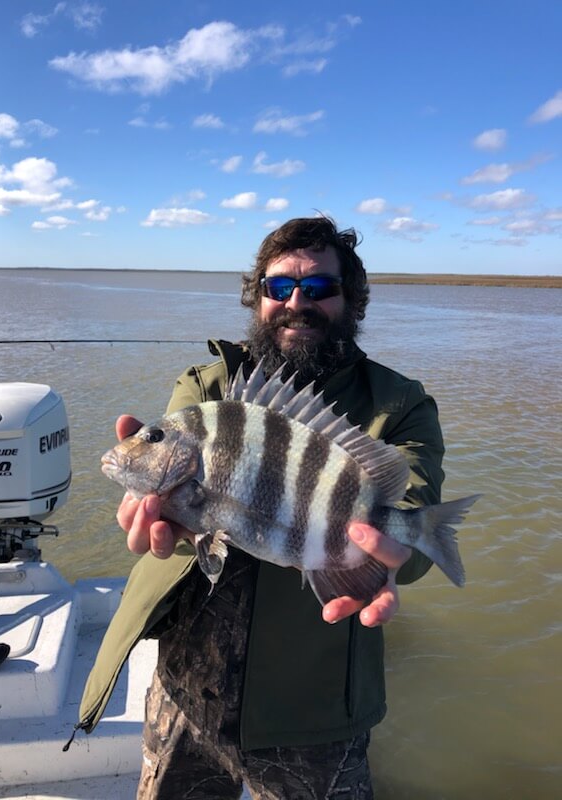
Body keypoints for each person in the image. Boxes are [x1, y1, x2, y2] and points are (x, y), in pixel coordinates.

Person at [78, 217, 445, 799]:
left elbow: (413, 511)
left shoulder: (399, 404)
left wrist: (393, 553)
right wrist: (150, 508)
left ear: (351, 300)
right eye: (279, 287)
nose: (297, 303)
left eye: (319, 288)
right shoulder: (208, 386)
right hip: (185, 692)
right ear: (258, 296)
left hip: (313, 711)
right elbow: (166, 490)